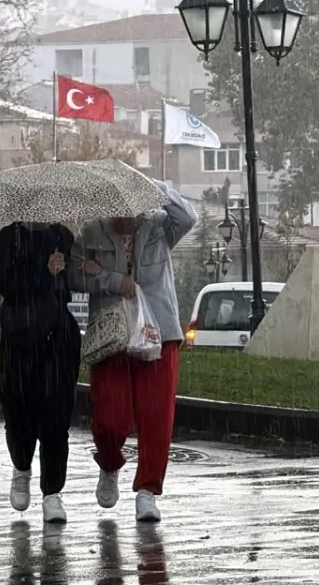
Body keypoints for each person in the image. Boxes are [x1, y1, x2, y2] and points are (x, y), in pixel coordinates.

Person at [70, 180, 195, 523]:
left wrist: (157, 187)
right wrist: (111, 280)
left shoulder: (158, 225)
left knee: (156, 416)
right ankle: (110, 463)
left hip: (159, 330)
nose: (124, 213)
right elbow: (72, 277)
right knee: (110, 415)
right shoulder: (92, 232)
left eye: (131, 203)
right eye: (116, 205)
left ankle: (147, 491)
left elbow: (188, 218)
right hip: (113, 334)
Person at [0, 221, 82, 524]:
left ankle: (52, 492)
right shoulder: (9, 237)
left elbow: (75, 281)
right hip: (20, 337)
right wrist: (43, 272)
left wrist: (72, 269)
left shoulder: (62, 236)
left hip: (58, 338)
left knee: (57, 416)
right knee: (19, 411)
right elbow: (2, 281)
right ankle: (21, 466)